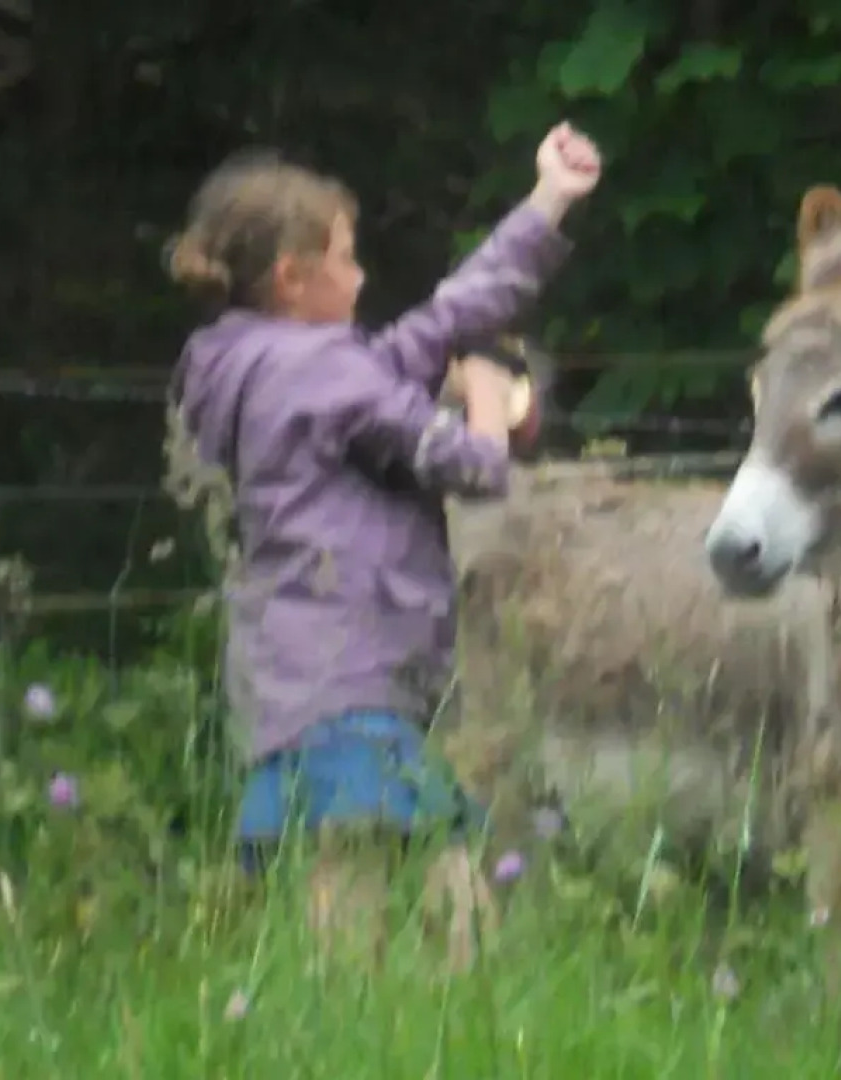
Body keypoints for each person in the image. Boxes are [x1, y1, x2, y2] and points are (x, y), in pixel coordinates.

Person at [162, 122, 601, 969]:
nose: (362, 277)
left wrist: (548, 199)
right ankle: (350, 1043)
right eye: (348, 257)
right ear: (293, 278)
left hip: (296, 679)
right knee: (359, 895)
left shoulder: (249, 362)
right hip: (348, 676)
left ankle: (416, 1040)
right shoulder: (324, 377)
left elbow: (442, 318)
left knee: (438, 881)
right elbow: (471, 466)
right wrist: (484, 398)